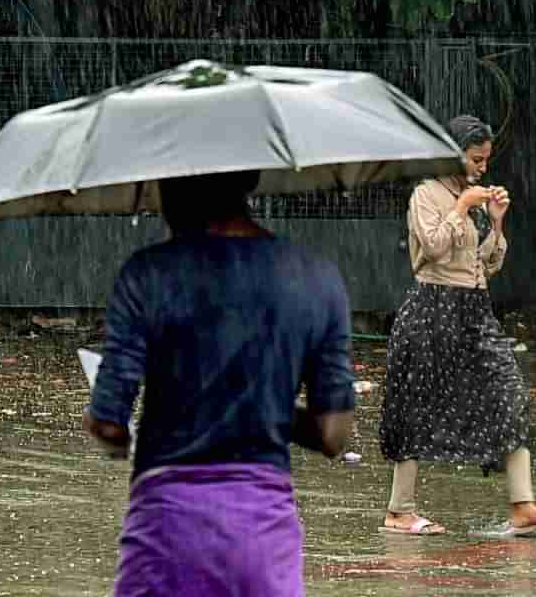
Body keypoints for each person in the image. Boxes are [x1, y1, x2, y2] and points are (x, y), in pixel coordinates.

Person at [84, 169, 356, 597]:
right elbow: (333, 434)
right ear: (248, 181)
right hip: (262, 543)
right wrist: (259, 406)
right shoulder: (315, 277)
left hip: (165, 538)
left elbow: (107, 422)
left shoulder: (148, 274)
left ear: (175, 188)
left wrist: (119, 438)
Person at [378, 115, 536, 537]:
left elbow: (487, 263)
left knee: (510, 392)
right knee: (416, 405)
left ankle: (523, 504)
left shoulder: (476, 195)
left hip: (475, 310)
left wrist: (497, 220)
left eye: (486, 160)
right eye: (475, 159)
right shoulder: (425, 194)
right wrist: (463, 207)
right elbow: (431, 249)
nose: (483, 168)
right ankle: (399, 510)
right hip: (432, 307)